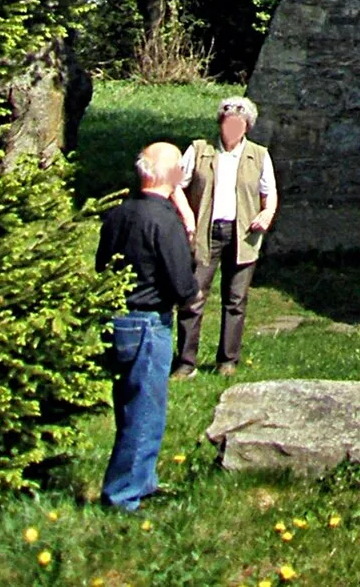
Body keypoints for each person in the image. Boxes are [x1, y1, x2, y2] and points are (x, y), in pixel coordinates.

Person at [95, 143, 196, 513]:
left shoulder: (117, 214)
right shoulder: (164, 220)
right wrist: (188, 293)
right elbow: (181, 281)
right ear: (171, 175)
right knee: (145, 411)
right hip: (148, 321)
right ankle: (124, 495)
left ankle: (142, 478)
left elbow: (101, 264)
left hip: (117, 318)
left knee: (127, 405)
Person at [173, 94, 278, 377]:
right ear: (220, 123)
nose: (232, 128)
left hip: (243, 234)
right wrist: (187, 217)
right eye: (227, 122)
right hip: (206, 231)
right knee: (193, 296)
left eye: (239, 123)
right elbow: (176, 186)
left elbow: (269, 193)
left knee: (235, 299)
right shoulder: (200, 150)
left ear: (247, 127)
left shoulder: (259, 155)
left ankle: (228, 360)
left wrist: (267, 214)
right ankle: (185, 362)